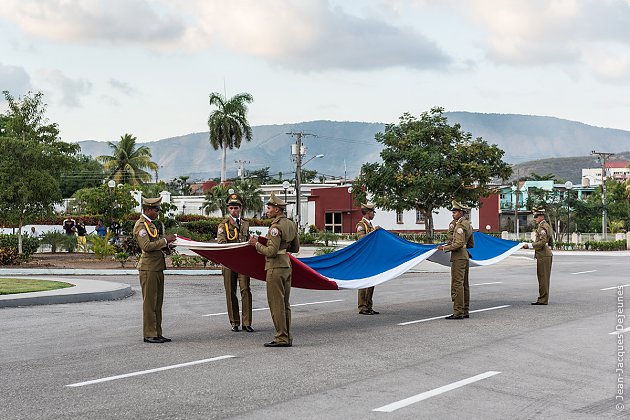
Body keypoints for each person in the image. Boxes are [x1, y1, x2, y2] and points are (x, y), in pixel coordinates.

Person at [248, 193, 299, 347]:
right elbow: (295, 248)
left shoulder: (275, 228)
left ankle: (281, 337)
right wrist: (284, 247)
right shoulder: (291, 224)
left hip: (275, 267)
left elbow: (271, 251)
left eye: (269, 208)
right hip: (287, 266)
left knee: (277, 304)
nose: (267, 210)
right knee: (285, 304)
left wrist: (255, 244)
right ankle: (287, 336)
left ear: (277, 210)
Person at [133, 197, 177, 343]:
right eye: (156, 210)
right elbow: (146, 246)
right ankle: (149, 333)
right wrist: (165, 240)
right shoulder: (141, 226)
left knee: (158, 302)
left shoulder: (150, 225)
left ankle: (157, 332)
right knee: (150, 302)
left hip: (156, 267)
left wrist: (168, 246)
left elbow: (154, 244)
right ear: (147, 210)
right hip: (148, 268)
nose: (158, 212)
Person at [217, 193, 253, 332]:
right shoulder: (223, 225)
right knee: (231, 292)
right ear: (228, 209)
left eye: (236, 208)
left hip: (243, 263)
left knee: (245, 291)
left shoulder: (245, 223)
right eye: (231, 208)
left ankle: (247, 322)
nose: (234, 210)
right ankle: (234, 322)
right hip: (229, 263)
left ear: (241, 208)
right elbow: (221, 243)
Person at [437, 200, 474, 320]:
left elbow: (458, 243)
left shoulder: (460, 225)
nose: (453, 214)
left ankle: (458, 312)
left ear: (461, 213)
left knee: (457, 284)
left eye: (455, 212)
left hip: (458, 257)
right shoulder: (467, 224)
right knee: (464, 285)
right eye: (452, 212)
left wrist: (445, 248)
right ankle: (465, 310)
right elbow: (470, 243)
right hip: (465, 256)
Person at [522, 207, 553, 305]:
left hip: (543, 255)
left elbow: (542, 242)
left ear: (540, 217)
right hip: (545, 254)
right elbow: (550, 240)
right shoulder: (546, 225)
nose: (535, 219)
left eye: (536, 217)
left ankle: (543, 300)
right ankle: (543, 298)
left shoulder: (543, 227)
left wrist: (530, 245)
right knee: (543, 278)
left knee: (543, 278)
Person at [356, 203, 381, 315]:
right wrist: (373, 232)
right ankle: (362, 307)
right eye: (372, 212)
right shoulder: (361, 225)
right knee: (364, 283)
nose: (373, 214)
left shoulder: (369, 225)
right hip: (364, 258)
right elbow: (362, 240)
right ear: (367, 212)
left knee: (371, 282)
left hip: (370, 257)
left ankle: (369, 306)